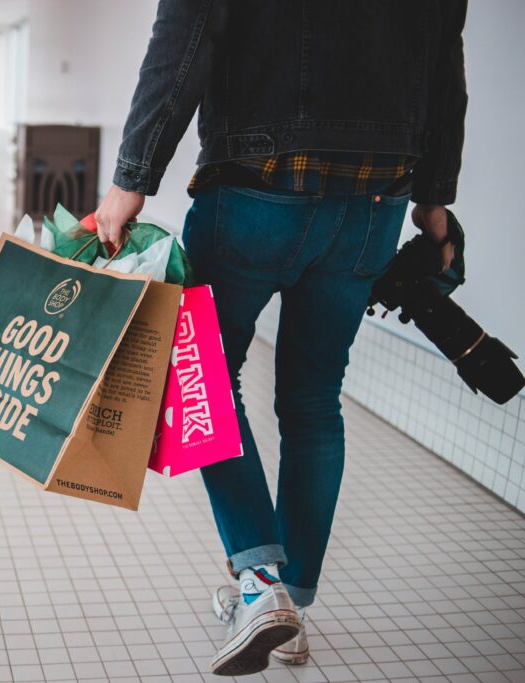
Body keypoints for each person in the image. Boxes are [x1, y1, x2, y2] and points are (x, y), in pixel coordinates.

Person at [95, 0, 468, 676]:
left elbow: (185, 36)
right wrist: (435, 207)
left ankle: (260, 585)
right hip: (375, 201)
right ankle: (293, 605)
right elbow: (445, 65)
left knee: (204, 375)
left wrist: (131, 178)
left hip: (253, 190)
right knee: (314, 402)